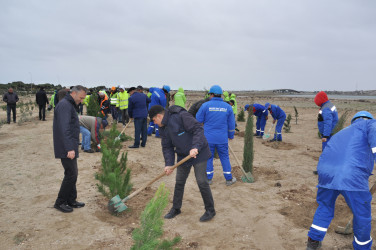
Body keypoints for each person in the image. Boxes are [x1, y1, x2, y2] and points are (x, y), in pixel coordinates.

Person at [306, 111, 376, 250]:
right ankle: (362, 247)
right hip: (351, 176)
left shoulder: (342, 132)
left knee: (325, 206)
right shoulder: (369, 124)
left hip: (325, 173)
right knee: (362, 215)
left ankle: (313, 241)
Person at [148, 104, 216, 222]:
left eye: (154, 120)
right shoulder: (163, 128)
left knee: (202, 181)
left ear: (159, 116)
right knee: (179, 182)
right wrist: (169, 164)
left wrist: (195, 147)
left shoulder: (180, 116)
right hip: (183, 155)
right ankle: (176, 208)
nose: (154, 123)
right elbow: (167, 147)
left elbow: (198, 129)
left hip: (199, 152)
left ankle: (210, 210)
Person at [53, 85, 87, 213]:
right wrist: (69, 148)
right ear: (73, 93)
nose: (82, 101)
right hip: (66, 146)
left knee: (73, 173)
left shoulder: (70, 104)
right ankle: (60, 202)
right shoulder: (65, 106)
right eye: (81, 98)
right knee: (71, 174)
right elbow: (64, 128)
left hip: (70, 145)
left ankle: (71, 200)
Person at [196, 85, 237, 186]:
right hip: (222, 138)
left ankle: (209, 179)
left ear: (212, 94)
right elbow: (231, 124)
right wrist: (231, 135)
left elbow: (198, 120)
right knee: (224, 157)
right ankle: (228, 179)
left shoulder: (205, 105)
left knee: (208, 158)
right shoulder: (227, 107)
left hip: (208, 138)